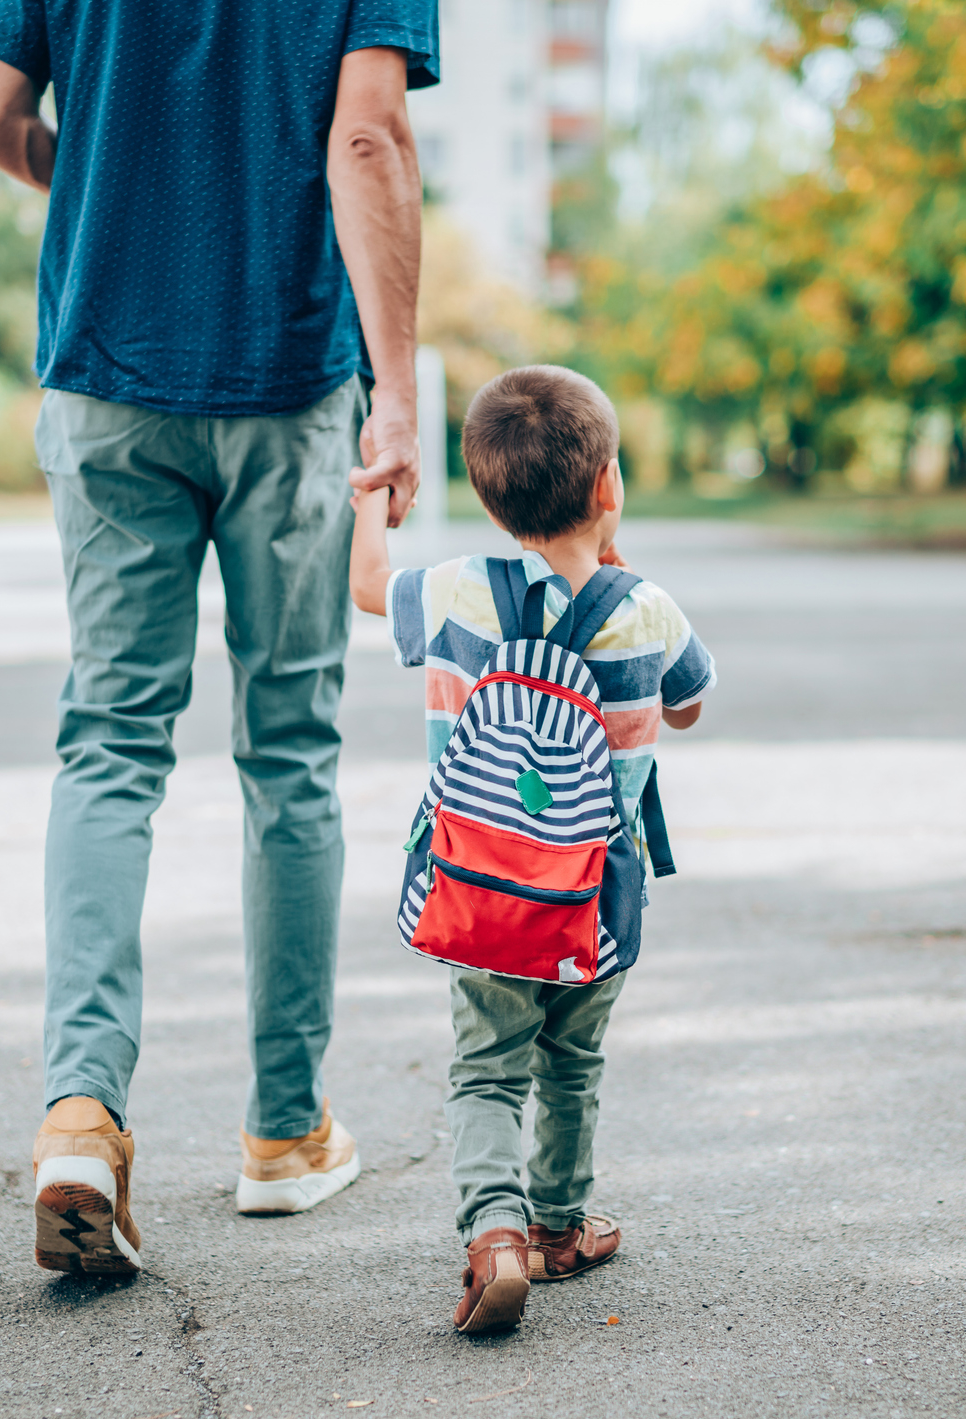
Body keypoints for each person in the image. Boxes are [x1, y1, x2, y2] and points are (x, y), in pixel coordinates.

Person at [0, 0, 439, 1275]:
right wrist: (397, 396)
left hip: (106, 369)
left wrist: (107, 189)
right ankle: (283, 1134)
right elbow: (370, 142)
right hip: (286, 380)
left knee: (110, 745)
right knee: (287, 752)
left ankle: (81, 1111)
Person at [347, 366, 716, 1332]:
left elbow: (365, 588)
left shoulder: (457, 593)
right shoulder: (648, 611)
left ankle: (493, 1235)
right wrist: (615, 567)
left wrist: (373, 499)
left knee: (485, 1069)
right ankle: (558, 1227)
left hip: (478, 896)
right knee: (571, 1062)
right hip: (593, 900)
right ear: (608, 487)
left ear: (486, 495)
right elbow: (686, 705)